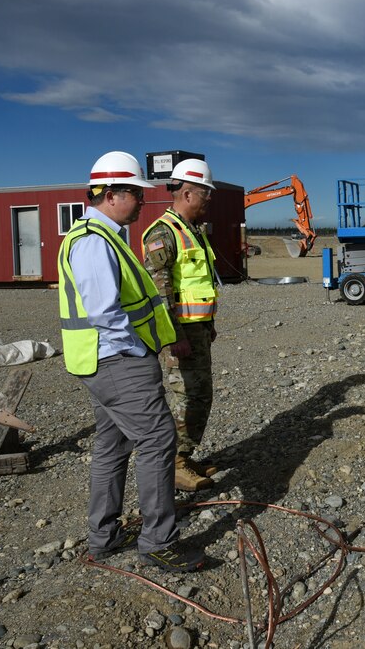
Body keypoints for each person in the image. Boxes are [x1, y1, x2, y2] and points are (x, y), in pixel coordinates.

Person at [57, 151, 205, 573]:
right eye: (135, 193)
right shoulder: (93, 242)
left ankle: (103, 537)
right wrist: (139, 350)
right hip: (118, 361)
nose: (142, 201)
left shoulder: (104, 237)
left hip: (102, 362)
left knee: (112, 444)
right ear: (111, 195)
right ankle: (158, 541)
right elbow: (105, 311)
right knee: (158, 441)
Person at [141, 158, 220, 492]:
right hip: (180, 332)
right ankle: (174, 463)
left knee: (200, 394)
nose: (209, 200)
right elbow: (160, 292)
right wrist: (174, 336)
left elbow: (200, 283)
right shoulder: (163, 233)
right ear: (187, 193)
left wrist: (209, 324)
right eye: (206, 193)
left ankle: (185, 456)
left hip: (197, 328)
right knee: (184, 396)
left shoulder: (193, 232)